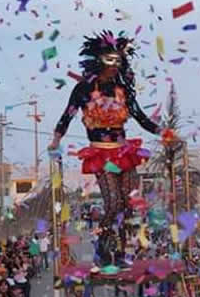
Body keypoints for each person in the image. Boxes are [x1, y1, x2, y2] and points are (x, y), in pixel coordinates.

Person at [48, 30, 162, 266]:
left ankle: (118, 253)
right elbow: (67, 115)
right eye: (109, 60)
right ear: (97, 61)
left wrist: (165, 133)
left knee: (128, 203)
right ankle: (102, 246)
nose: (113, 66)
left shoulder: (123, 91)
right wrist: (56, 139)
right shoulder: (83, 89)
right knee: (113, 203)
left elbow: (141, 117)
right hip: (100, 153)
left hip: (123, 152)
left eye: (117, 61)